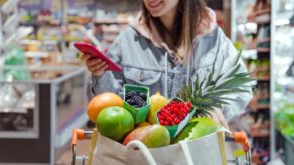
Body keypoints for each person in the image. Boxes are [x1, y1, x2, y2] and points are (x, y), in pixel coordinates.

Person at [82, 0, 252, 128]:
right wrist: (100, 75)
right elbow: (110, 107)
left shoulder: (213, 39)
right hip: (143, 156)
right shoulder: (128, 41)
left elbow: (241, 86)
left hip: (196, 155)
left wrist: (216, 107)